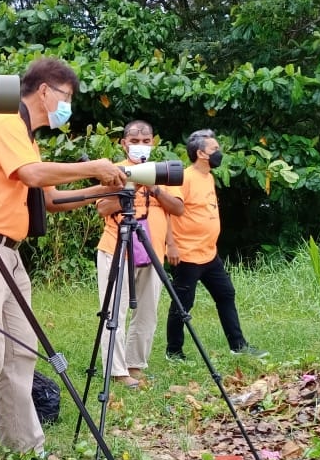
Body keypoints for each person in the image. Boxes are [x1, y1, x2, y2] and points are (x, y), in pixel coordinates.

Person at [0, 57, 129, 460]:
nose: (68, 108)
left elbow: (51, 199)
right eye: (67, 98)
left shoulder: (27, 137)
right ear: (45, 91)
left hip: (8, 252)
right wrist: (92, 166)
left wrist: (106, 188)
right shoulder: (7, 122)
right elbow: (30, 174)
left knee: (21, 350)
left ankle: (23, 445)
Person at [94, 120, 183, 387]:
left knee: (147, 313)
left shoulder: (164, 172)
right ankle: (117, 370)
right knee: (114, 312)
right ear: (124, 143)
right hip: (116, 248)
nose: (140, 146)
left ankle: (135, 365)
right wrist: (130, 186)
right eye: (134, 141)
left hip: (152, 251)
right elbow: (102, 208)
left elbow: (176, 209)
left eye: (146, 141)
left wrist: (153, 186)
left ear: (153, 142)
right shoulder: (114, 171)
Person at [164, 129, 266, 360]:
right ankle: (174, 351)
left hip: (209, 254)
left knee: (226, 294)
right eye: (215, 150)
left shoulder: (208, 176)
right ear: (201, 153)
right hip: (187, 254)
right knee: (182, 305)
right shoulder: (184, 177)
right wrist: (171, 244)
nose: (219, 153)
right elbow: (169, 211)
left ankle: (238, 345)